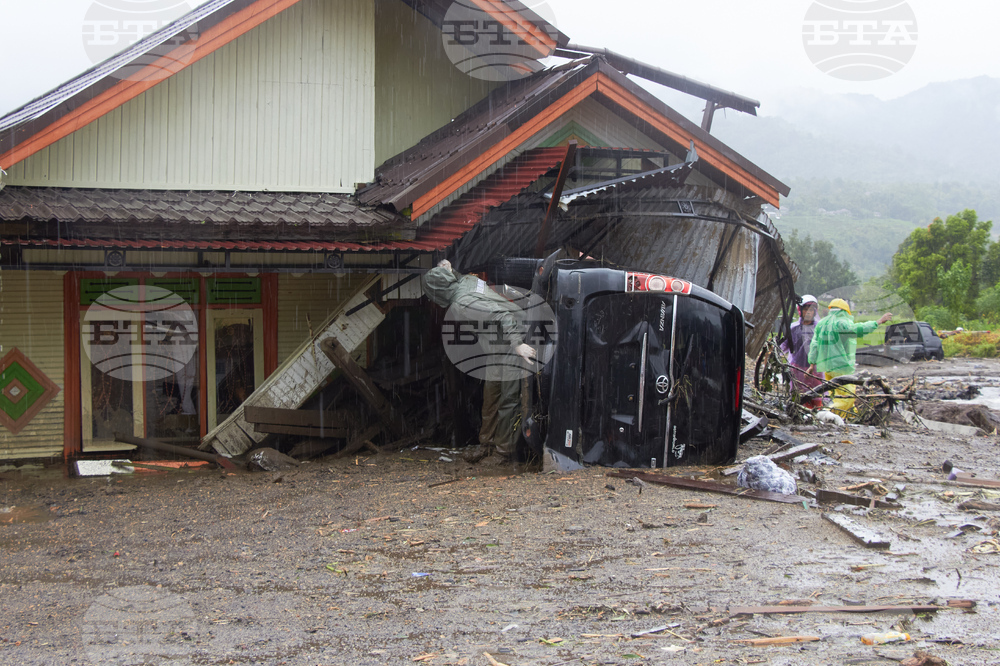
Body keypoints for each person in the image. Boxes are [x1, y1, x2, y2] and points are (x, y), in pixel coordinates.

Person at [423, 260, 536, 465]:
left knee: (508, 399)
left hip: (512, 340)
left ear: (436, 294)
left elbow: (504, 315)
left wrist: (517, 345)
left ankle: (503, 452)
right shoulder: (465, 280)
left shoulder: (462, 304)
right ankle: (487, 444)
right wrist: (449, 270)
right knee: (491, 396)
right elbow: (455, 279)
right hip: (496, 346)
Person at [807, 298, 892, 416]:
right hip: (840, 366)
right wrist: (878, 322)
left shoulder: (822, 323)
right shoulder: (841, 322)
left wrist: (812, 364)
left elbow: (814, 344)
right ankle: (824, 416)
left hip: (828, 368)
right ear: (845, 311)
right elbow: (857, 329)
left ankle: (850, 417)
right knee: (848, 396)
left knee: (838, 395)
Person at [780, 294, 823, 409]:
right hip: (797, 369)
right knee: (799, 398)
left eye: (812, 309)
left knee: (816, 397)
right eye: (806, 309)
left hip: (816, 369)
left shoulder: (820, 328)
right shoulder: (793, 328)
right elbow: (783, 346)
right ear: (800, 310)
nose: (809, 312)